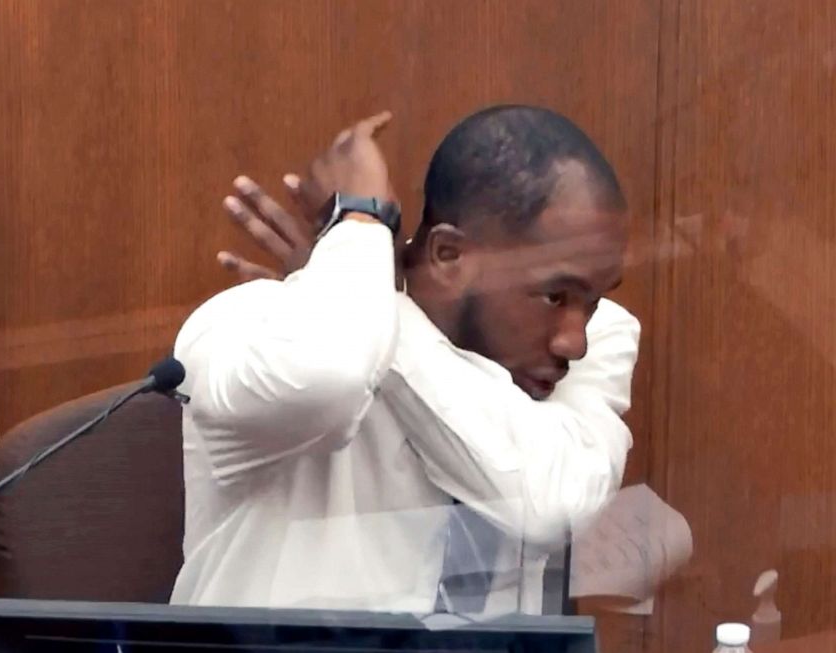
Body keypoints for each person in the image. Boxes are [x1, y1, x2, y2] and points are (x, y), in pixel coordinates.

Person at [170, 105, 641, 615]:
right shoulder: (254, 328)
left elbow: (552, 505)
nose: (575, 342)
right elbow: (332, 378)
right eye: (554, 295)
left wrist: (379, 297)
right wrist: (361, 224)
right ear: (448, 256)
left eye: (591, 299)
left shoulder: (604, 334)